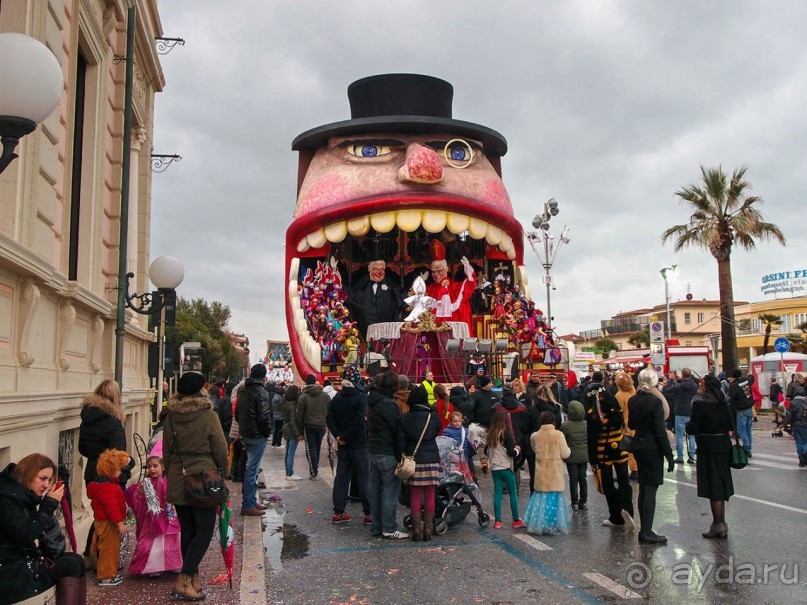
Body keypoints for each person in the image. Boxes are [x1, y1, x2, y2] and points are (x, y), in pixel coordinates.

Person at [163, 371, 229, 601]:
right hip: (204, 478)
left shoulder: (170, 416)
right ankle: (184, 579)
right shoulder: (208, 415)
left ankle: (193, 579)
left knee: (188, 531)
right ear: (200, 389)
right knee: (204, 531)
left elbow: (167, 450)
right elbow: (220, 448)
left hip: (179, 476)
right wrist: (225, 472)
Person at [0, 453, 86, 604]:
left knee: (76, 560)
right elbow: (25, 535)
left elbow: (50, 544)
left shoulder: (25, 495)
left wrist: (46, 508)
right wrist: (47, 506)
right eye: (42, 478)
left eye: (49, 480)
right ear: (28, 474)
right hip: (9, 570)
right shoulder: (7, 499)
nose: (46, 485)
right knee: (70, 565)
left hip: (23, 561)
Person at [78, 379, 132, 566]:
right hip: (111, 475)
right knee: (111, 518)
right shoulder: (113, 422)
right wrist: (129, 464)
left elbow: (82, 448)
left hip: (92, 471)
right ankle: (104, 558)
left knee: (99, 515)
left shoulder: (87, 418)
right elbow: (119, 454)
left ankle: (90, 554)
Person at [629, 369, 675, 545]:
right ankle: (647, 531)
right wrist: (669, 454)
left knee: (643, 487)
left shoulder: (634, 400)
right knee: (651, 489)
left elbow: (631, 424)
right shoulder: (655, 402)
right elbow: (659, 431)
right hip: (652, 447)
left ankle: (644, 528)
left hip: (638, 445)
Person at [686, 374, 735, 539]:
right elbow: (731, 424)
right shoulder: (725, 402)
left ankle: (718, 524)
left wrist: (689, 427)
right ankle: (721, 522)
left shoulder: (700, 403)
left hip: (708, 446)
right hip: (723, 445)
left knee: (713, 487)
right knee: (720, 484)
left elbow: (693, 428)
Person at [586, 382, 635, 530]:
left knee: (607, 484)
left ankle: (616, 515)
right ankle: (627, 509)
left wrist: (593, 460)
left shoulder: (593, 413)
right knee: (624, 481)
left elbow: (592, 438)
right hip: (619, 448)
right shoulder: (615, 406)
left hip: (603, 451)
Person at [327, 365, 372, 525]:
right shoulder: (361, 397)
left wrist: (338, 436)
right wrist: (345, 436)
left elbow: (329, 418)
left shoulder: (337, 398)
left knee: (341, 478)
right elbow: (359, 421)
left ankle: (338, 511)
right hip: (359, 443)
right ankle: (369, 512)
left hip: (343, 445)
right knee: (364, 478)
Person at [124, 455, 182, 576]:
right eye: (149, 467)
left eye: (155, 466)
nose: (152, 469)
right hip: (151, 520)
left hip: (168, 518)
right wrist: (140, 494)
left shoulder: (169, 482)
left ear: (163, 467)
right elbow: (138, 499)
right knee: (150, 543)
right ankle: (152, 567)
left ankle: (173, 564)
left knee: (170, 542)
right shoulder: (146, 483)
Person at [366, 370, 407, 539]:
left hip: (374, 449)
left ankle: (376, 526)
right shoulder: (388, 404)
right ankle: (389, 527)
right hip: (387, 451)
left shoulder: (373, 401)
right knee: (390, 491)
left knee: (376, 491)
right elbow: (396, 429)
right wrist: (401, 453)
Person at [398, 386, 441, 542]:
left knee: (415, 495)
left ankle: (416, 530)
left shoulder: (405, 418)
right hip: (431, 458)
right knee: (430, 494)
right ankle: (428, 530)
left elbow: (401, 441)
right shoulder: (433, 416)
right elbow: (437, 431)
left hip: (414, 460)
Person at [523, 411, 572, 535]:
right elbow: (565, 453)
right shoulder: (558, 435)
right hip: (555, 471)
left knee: (541, 499)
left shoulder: (535, 436)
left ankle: (540, 523)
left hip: (541, 471)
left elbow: (534, 449)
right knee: (555, 500)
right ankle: (554, 524)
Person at [87, 449, 130, 586]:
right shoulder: (108, 488)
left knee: (105, 547)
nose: (120, 472)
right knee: (109, 549)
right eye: (119, 469)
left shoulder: (101, 486)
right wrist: (119, 523)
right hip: (109, 522)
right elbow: (112, 508)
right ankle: (106, 576)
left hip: (103, 521)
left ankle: (108, 574)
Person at [236, 364, 272, 515]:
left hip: (246, 433)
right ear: (263, 376)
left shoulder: (242, 390)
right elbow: (263, 415)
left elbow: (237, 413)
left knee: (252, 469)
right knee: (252, 470)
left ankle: (251, 501)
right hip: (257, 435)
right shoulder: (260, 391)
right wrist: (267, 432)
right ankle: (248, 505)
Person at [485, 410, 525, 530]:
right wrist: (517, 449)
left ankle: (498, 521)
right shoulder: (506, 433)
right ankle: (516, 520)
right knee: (513, 493)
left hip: (495, 468)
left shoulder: (491, 434)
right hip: (505, 467)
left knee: (497, 493)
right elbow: (511, 452)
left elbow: (486, 451)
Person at [346, 258, 405, 339]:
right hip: (365, 332)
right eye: (375, 269)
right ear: (369, 270)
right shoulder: (360, 286)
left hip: (387, 331)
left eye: (382, 269)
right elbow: (348, 296)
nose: (379, 273)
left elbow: (403, 298)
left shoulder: (391, 285)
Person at [296, 374, 332, 480]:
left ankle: (313, 471)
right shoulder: (325, 396)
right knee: (317, 447)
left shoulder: (303, 397)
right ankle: (315, 468)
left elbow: (299, 415)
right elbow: (330, 410)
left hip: (308, 425)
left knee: (310, 448)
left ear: (306, 383)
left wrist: (299, 430)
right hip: (321, 425)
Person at [663, 367, 698, 464]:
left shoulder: (679, 386)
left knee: (679, 435)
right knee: (691, 435)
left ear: (682, 374)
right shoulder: (694, 385)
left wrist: (671, 380)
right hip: (690, 411)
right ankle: (691, 456)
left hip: (680, 412)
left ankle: (680, 456)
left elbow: (667, 390)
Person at [560, 400, 588, 511]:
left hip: (571, 455)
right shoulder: (586, 424)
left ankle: (574, 502)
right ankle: (584, 501)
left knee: (573, 478)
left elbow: (561, 438)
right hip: (584, 455)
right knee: (583, 478)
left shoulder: (565, 426)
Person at [613, 371, 639, 481]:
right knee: (634, 448)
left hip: (624, 424)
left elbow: (617, 411)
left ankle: (629, 471)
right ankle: (636, 469)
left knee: (624, 449)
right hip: (635, 422)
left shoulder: (619, 395)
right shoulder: (633, 391)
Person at [727, 369, 755, 456]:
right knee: (748, 429)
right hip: (749, 407)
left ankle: (746, 447)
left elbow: (730, 398)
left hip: (741, 410)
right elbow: (751, 378)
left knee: (741, 429)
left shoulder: (734, 385)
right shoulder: (746, 381)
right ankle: (749, 447)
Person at [282, 385, 304, 481]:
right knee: (291, 453)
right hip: (291, 431)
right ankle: (290, 473)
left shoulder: (285, 403)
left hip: (286, 429)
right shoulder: (293, 405)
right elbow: (293, 421)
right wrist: (297, 434)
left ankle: (288, 472)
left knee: (288, 452)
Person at [786, 387, 807, 467]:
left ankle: (801, 459)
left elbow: (788, 415)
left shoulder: (792, 403)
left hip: (796, 425)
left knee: (799, 442)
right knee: (805, 441)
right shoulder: (806, 402)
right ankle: (805, 451)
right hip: (805, 424)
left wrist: (784, 425)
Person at [267, 380, 285, 449]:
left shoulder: (274, 398)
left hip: (275, 416)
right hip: (280, 417)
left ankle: (273, 443)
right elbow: (283, 408)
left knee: (275, 430)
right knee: (279, 431)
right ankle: (278, 444)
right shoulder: (281, 400)